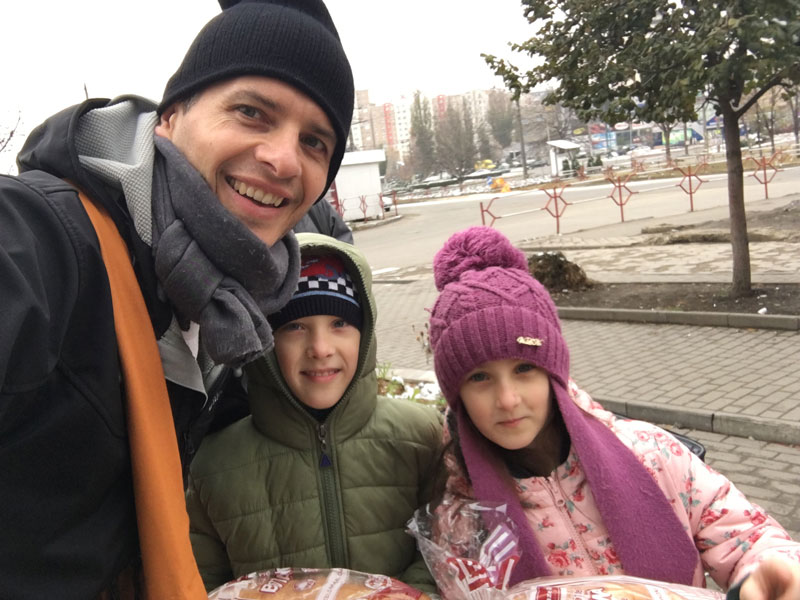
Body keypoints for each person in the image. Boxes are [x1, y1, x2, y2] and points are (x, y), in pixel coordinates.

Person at [0, 0, 354, 597]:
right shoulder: (40, 239)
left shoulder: (227, 311)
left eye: (316, 142)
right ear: (170, 116)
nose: (283, 158)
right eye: (251, 112)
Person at [425, 227, 800, 600]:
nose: (507, 399)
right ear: (457, 395)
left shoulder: (653, 456)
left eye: (524, 369)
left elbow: (749, 537)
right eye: (480, 377)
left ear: (553, 371)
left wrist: (770, 573)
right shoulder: (463, 523)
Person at [184, 232, 443, 592]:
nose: (320, 348)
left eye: (340, 324)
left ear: (364, 334)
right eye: (295, 327)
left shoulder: (421, 438)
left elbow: (442, 554)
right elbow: (201, 585)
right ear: (266, 340)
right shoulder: (213, 467)